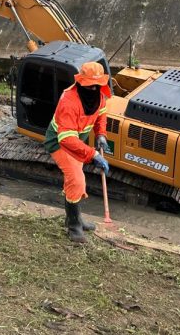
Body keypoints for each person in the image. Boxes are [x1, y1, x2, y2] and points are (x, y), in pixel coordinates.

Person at [44, 62, 111, 243]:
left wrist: (101, 135)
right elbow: (65, 139)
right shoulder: (69, 101)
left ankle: (74, 219)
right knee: (77, 180)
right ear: (81, 82)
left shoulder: (99, 95)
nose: (94, 88)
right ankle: (74, 227)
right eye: (90, 85)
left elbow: (101, 114)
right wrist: (93, 155)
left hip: (77, 142)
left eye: (97, 85)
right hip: (60, 142)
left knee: (74, 181)